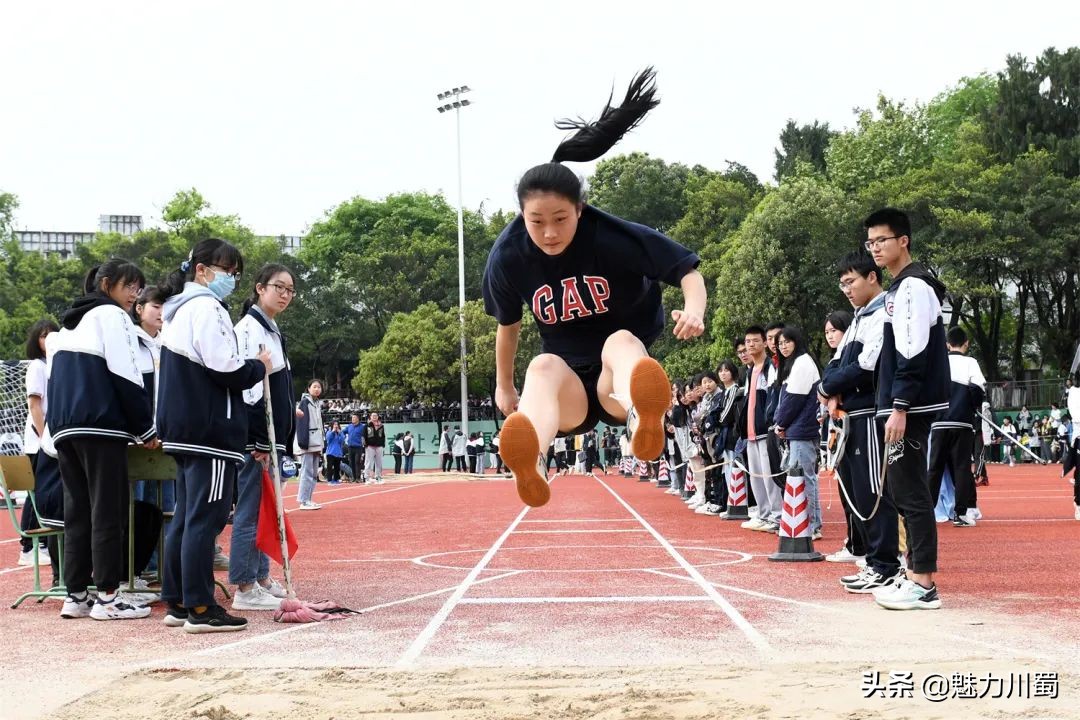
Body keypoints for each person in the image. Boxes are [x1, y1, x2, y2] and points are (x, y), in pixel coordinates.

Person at [483, 68, 705, 507]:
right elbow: (507, 327)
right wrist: (504, 386)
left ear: (580, 210)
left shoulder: (610, 236)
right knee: (542, 365)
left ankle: (645, 415)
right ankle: (534, 459)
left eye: (560, 220)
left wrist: (694, 309)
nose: (548, 233)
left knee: (620, 340)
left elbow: (686, 269)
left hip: (615, 381)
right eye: (536, 223)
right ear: (521, 217)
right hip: (569, 390)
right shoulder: (508, 256)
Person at [157, 240, 271, 632]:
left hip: (183, 427)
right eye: (227, 271)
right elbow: (225, 367)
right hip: (207, 430)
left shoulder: (176, 311)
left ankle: (177, 602)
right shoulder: (205, 307)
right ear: (202, 270)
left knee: (187, 517)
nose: (232, 279)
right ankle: (201, 608)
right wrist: (258, 367)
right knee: (205, 519)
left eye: (236, 272)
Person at [48, 259, 158, 621]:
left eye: (138, 289)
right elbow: (126, 375)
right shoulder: (111, 316)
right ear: (107, 284)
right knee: (107, 511)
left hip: (65, 428)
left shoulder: (65, 327)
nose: (134, 295)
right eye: (130, 287)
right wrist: (147, 429)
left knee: (77, 512)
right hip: (100, 426)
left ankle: (75, 595)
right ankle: (109, 597)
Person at [864, 208, 949, 611]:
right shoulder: (900, 289)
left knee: (911, 491)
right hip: (900, 404)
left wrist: (899, 406)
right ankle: (913, 573)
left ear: (903, 241)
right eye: (870, 242)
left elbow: (911, 352)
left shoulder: (914, 287)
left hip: (909, 407)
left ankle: (923, 582)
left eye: (882, 240)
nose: (875, 247)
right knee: (901, 490)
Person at [819, 252, 901, 591]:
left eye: (850, 282)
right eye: (842, 284)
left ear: (871, 277)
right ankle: (873, 561)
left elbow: (867, 366)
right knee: (856, 493)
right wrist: (829, 387)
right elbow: (836, 365)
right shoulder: (856, 319)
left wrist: (828, 387)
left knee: (874, 491)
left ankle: (887, 565)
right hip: (850, 416)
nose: (846, 289)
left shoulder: (884, 312)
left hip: (870, 414)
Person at [229, 263, 296, 610]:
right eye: (278, 287)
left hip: (271, 440)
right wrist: (257, 439)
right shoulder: (248, 329)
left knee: (267, 508)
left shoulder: (271, 330)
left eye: (290, 290)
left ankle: (261, 576)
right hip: (255, 440)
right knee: (251, 511)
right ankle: (244, 585)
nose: (284, 295)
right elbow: (250, 388)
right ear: (259, 288)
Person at [773, 327, 823, 538]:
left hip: (802, 430)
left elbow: (793, 400)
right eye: (780, 344)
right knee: (801, 476)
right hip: (797, 429)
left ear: (797, 341)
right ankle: (810, 523)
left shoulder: (802, 362)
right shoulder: (794, 364)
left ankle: (810, 525)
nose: (783, 347)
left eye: (787, 342)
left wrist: (781, 424)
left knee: (803, 478)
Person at [20, 320, 60, 579]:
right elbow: (35, 404)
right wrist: (44, 433)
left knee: (43, 492)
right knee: (37, 493)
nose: (48, 340)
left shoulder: (55, 366)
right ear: (36, 341)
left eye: (52, 335)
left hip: (48, 440)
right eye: (44, 336)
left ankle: (41, 544)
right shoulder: (38, 366)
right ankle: (27, 547)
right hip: (39, 441)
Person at [820, 309, 861, 563]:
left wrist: (830, 388)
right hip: (839, 431)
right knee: (846, 490)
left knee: (859, 492)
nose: (829, 336)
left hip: (855, 425)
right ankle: (855, 542)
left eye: (834, 330)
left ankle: (869, 548)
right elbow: (826, 383)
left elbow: (832, 383)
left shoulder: (850, 354)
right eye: (826, 332)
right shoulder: (835, 358)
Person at [739, 326, 781, 533]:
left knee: (769, 475)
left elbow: (773, 398)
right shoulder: (749, 372)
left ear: (765, 343)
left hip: (765, 431)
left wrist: (772, 423)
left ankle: (777, 515)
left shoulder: (769, 367)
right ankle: (764, 514)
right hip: (750, 433)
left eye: (755, 341)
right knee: (755, 476)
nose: (751, 345)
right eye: (748, 342)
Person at [294, 380, 325, 509]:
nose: (317, 389)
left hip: (317, 442)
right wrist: (303, 442)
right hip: (308, 442)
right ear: (308, 388)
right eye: (314, 387)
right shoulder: (305, 402)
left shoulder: (317, 403)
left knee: (313, 473)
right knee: (306, 471)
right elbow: (301, 424)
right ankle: (303, 500)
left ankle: (308, 499)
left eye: (319, 387)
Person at [364, 412, 386, 483]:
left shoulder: (381, 425)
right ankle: (366, 478)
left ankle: (378, 477)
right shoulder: (367, 425)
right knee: (368, 462)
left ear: (378, 417)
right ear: (370, 417)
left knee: (379, 463)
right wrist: (365, 445)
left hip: (379, 446)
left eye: (376, 415)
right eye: (373, 416)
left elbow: (383, 436)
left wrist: (383, 444)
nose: (374, 417)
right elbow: (363, 436)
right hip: (370, 446)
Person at [345, 413, 366, 483]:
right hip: (350, 447)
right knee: (351, 463)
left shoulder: (362, 427)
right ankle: (353, 477)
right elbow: (342, 432)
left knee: (357, 462)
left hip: (358, 447)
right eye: (352, 418)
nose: (353, 419)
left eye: (354, 418)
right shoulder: (349, 426)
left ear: (358, 419)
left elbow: (365, 435)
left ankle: (358, 477)